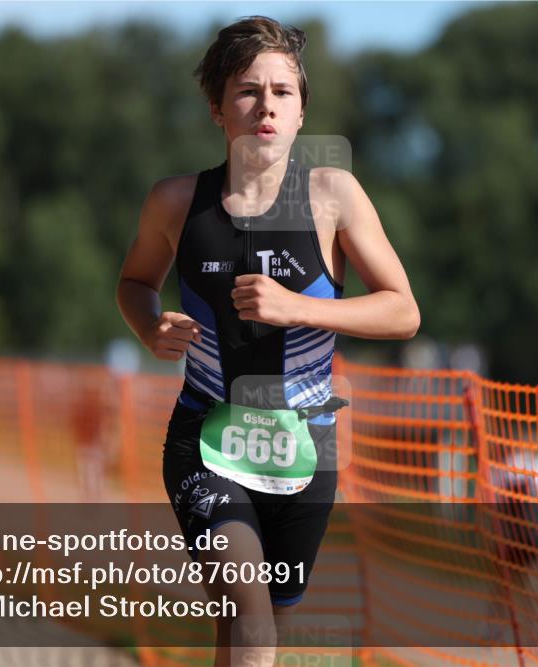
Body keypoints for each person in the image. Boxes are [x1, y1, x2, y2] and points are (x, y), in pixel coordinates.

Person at [116, 16, 419, 666]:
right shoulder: (174, 202)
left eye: (283, 92)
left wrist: (296, 307)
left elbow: (404, 313)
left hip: (304, 449)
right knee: (248, 609)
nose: (267, 106)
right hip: (204, 436)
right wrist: (149, 325)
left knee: (251, 627)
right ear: (217, 107)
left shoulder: (333, 197)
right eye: (250, 90)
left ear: (302, 111)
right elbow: (136, 280)